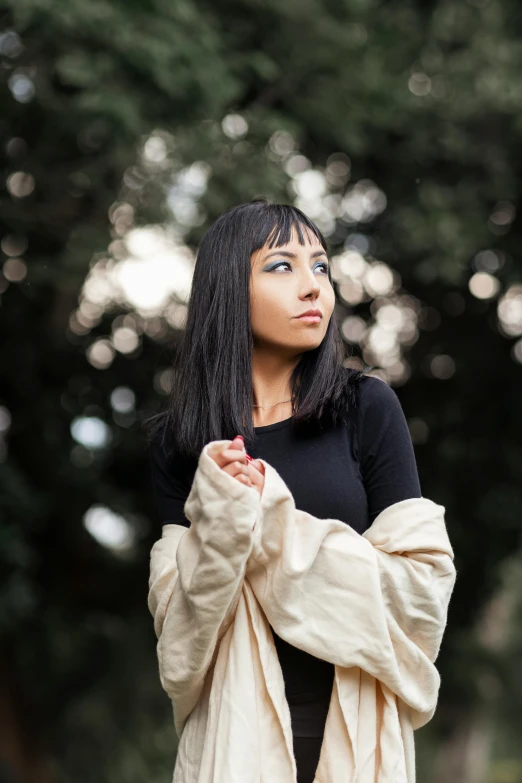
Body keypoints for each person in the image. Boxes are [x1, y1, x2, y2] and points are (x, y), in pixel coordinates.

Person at [145, 199, 423, 783]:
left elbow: (418, 600)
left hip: (356, 738)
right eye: (282, 266)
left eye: (320, 267)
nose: (312, 287)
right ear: (228, 289)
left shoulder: (367, 409)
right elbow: (179, 652)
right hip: (229, 745)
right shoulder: (182, 444)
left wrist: (270, 521)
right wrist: (221, 517)